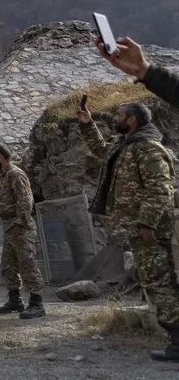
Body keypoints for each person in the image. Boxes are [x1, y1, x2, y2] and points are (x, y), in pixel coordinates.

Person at [76, 93, 179, 361]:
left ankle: (177, 341)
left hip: (150, 231)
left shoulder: (148, 148)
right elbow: (102, 150)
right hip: (138, 229)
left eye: (119, 115)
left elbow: (160, 188)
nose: (115, 118)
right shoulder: (127, 145)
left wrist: (147, 222)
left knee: (159, 282)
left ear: (132, 120)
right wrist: (88, 124)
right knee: (154, 280)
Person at [0, 144, 45, 319]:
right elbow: (11, 202)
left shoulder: (15, 173)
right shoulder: (4, 176)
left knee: (27, 264)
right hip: (10, 228)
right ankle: (15, 300)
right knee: (8, 265)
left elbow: (26, 199)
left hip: (20, 228)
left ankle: (37, 303)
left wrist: (21, 221)